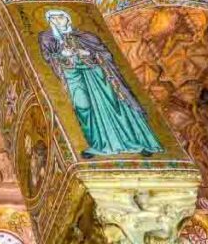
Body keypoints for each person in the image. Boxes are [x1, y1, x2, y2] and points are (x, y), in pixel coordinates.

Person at [39, 9, 162, 158]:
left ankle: (138, 143)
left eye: (60, 17)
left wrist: (90, 54)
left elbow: (105, 54)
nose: (57, 21)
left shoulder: (87, 36)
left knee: (114, 104)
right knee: (82, 107)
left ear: (68, 19)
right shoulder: (47, 38)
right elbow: (48, 56)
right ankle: (98, 145)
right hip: (73, 76)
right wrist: (61, 55)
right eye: (53, 19)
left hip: (98, 75)